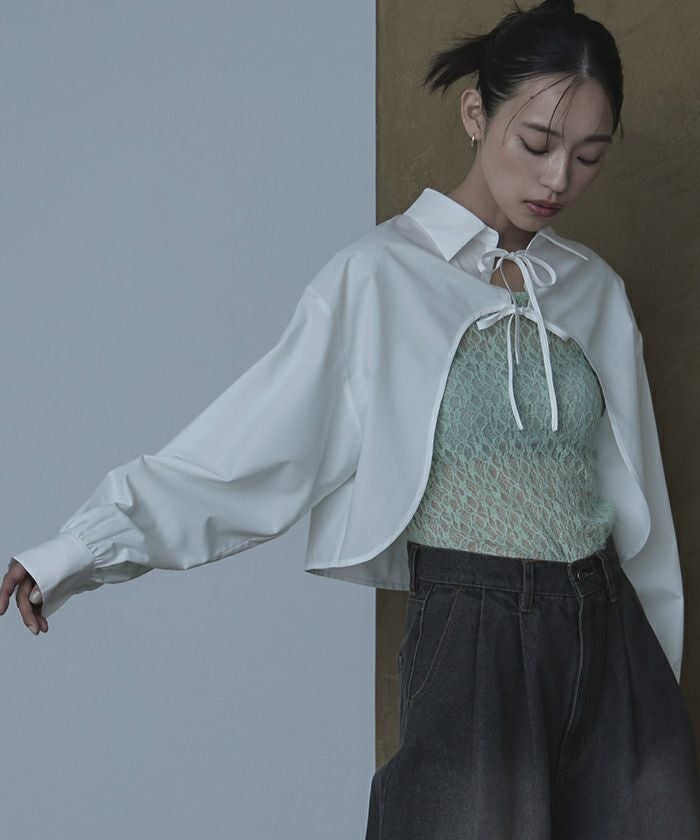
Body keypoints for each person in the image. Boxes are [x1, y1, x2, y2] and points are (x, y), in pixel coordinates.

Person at [2, 0, 698, 835]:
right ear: (476, 114)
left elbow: (641, 510)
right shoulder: (380, 277)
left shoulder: (592, 289)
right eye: (538, 144)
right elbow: (246, 451)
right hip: (473, 635)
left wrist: (659, 675)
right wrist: (78, 549)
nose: (558, 180)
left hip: (610, 633)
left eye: (588, 157)